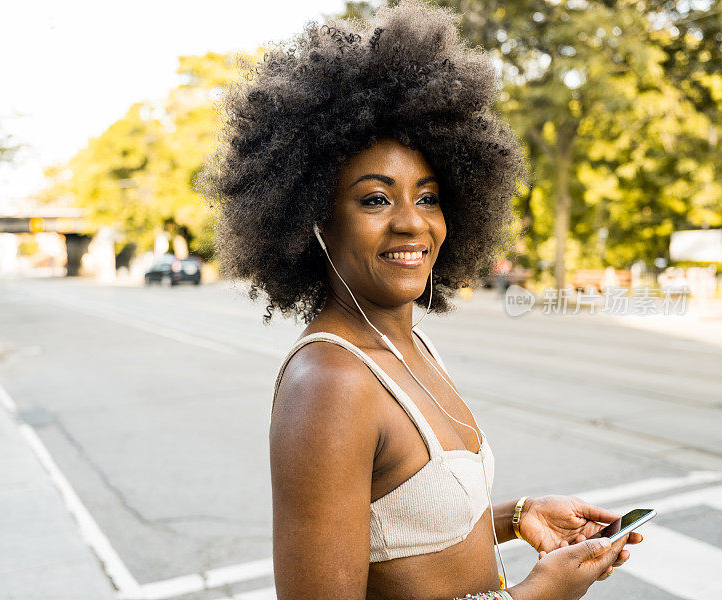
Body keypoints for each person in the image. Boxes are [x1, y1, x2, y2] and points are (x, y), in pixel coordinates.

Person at [198, 2, 642, 598]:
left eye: (429, 197)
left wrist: (517, 518)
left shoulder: (406, 342)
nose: (413, 223)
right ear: (315, 220)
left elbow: (400, 533)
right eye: (376, 199)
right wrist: (534, 596)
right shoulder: (331, 382)